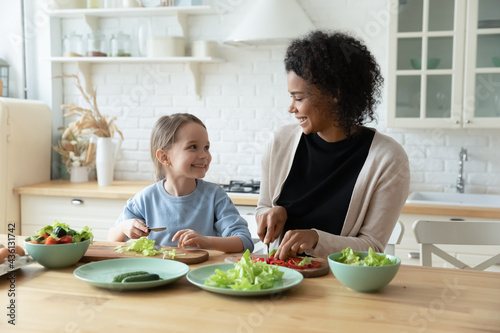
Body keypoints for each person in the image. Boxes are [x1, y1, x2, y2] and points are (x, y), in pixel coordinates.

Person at [256, 30, 410, 260]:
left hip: (344, 285)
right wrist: (271, 213)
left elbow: (373, 247)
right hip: (281, 277)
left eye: (298, 98)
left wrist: (316, 239)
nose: (291, 108)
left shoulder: (388, 159)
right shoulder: (279, 143)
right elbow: (262, 209)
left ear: (335, 93)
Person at [108, 113, 254, 253]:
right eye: (193, 147)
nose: (204, 155)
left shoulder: (215, 196)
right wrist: (123, 227)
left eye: (206, 148)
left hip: (200, 275)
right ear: (164, 157)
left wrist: (207, 241)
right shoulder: (145, 199)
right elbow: (111, 241)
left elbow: (245, 242)